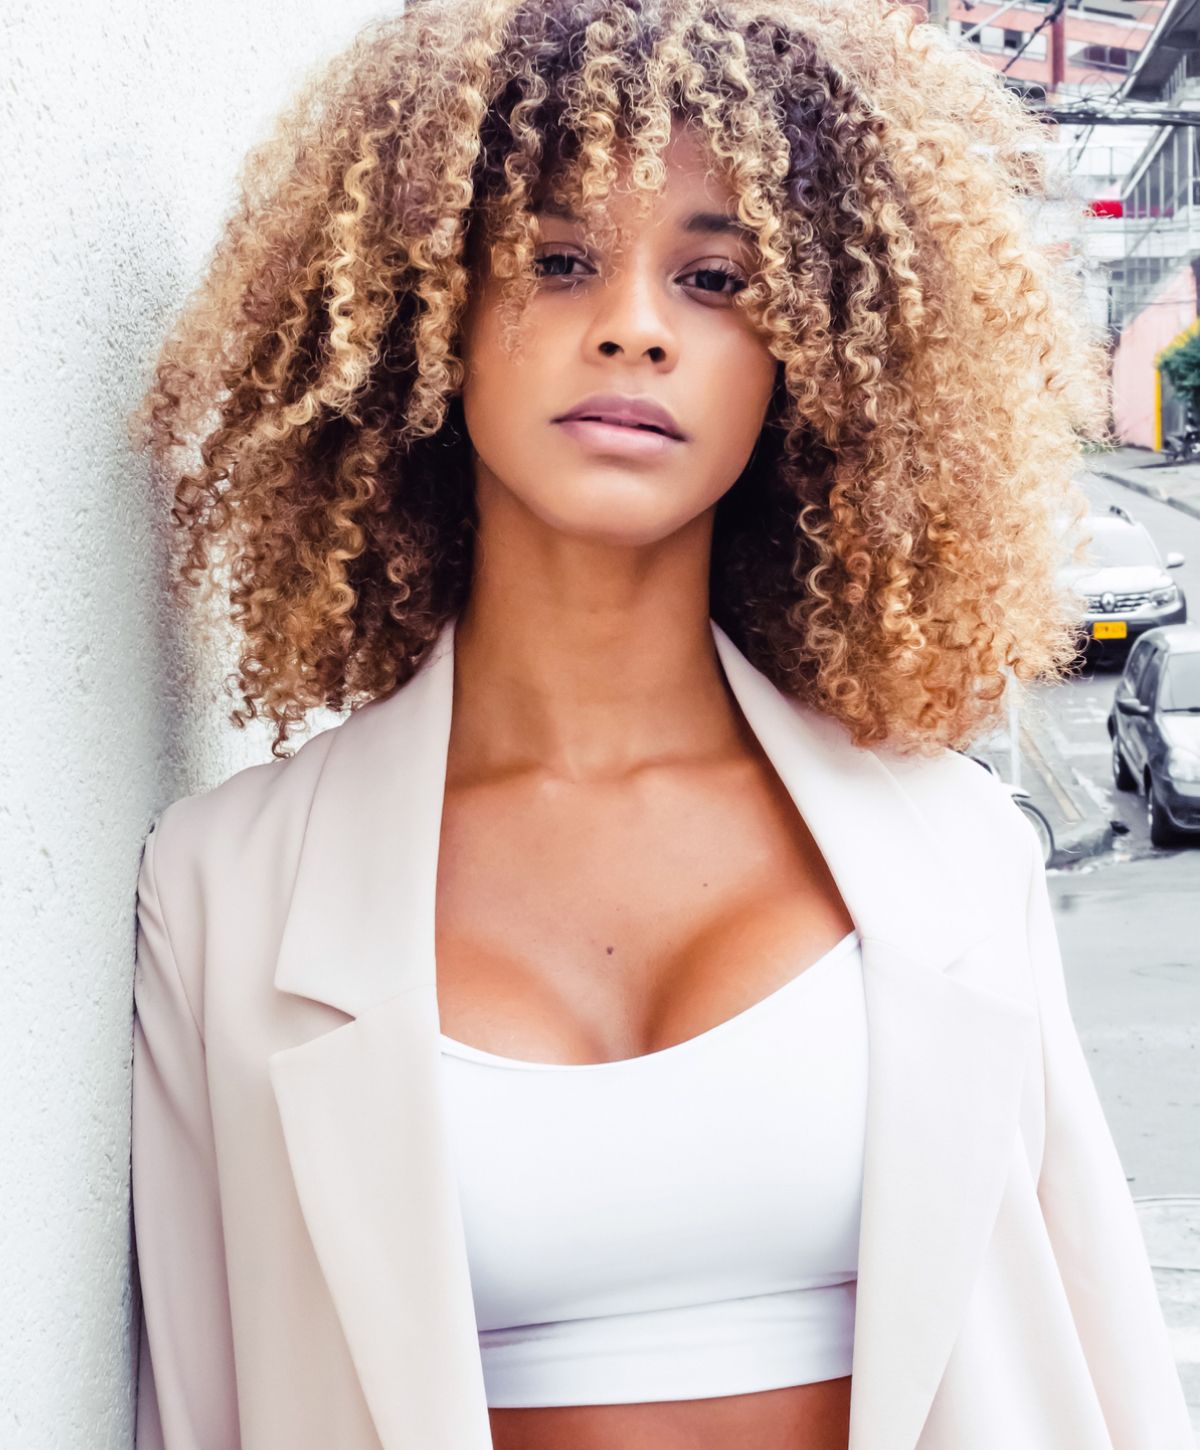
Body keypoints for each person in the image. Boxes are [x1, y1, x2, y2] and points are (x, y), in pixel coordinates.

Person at [126, 1, 1193, 1447]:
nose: (632, 323)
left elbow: (1103, 1364)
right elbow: (206, 1401)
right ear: (421, 311)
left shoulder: (952, 851)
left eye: (713, 276)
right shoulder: (226, 891)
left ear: (808, 355)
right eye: (558, 261)